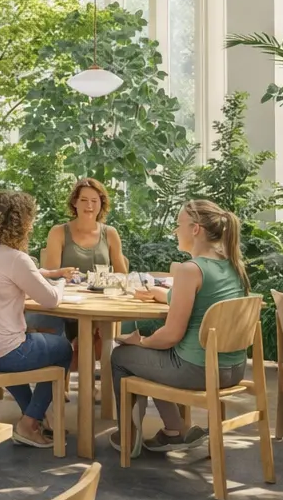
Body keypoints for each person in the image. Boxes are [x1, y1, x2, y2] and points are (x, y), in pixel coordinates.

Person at [111, 199, 250, 457]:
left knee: (122, 357)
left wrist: (139, 341)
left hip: (199, 371)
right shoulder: (233, 265)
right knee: (156, 356)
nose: (176, 230)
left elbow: (170, 337)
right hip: (234, 369)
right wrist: (159, 294)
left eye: (179, 225)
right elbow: (201, 301)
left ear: (195, 229)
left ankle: (128, 436)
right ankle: (174, 431)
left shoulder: (190, 270)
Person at [0, 191, 75, 449]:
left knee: (22, 346)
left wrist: (47, 272)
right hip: (1, 353)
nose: (31, 225)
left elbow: (13, 272)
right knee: (63, 349)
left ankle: (34, 416)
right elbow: (51, 300)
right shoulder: (15, 258)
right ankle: (30, 422)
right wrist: (62, 282)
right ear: (20, 223)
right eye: (29, 220)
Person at [35, 178, 129, 344]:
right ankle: (70, 357)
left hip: (101, 304)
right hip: (66, 305)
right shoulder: (58, 232)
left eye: (94, 201)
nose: (89, 206)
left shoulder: (110, 233)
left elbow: (122, 275)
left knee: (98, 338)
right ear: (74, 203)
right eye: (84, 200)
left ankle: (93, 359)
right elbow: (50, 277)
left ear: (102, 204)